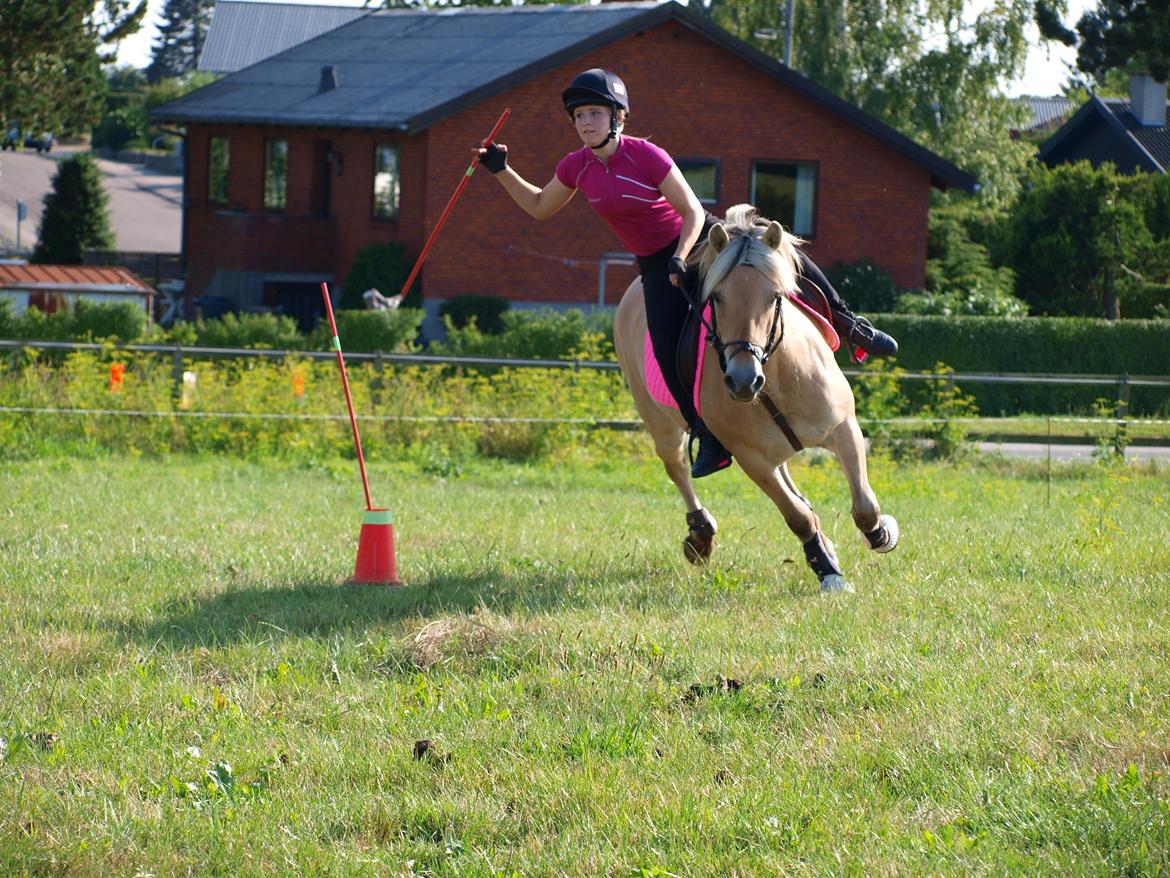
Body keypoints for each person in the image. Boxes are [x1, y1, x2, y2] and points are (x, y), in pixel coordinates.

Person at [476, 68, 897, 477]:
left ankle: (849, 322)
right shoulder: (576, 166)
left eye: (595, 113)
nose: (585, 122)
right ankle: (707, 434)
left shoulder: (646, 154)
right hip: (655, 263)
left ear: (617, 118)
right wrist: (501, 170)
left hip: (701, 240)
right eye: (579, 116)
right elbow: (538, 206)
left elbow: (692, 211)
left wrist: (682, 256)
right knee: (664, 350)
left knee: (777, 250)